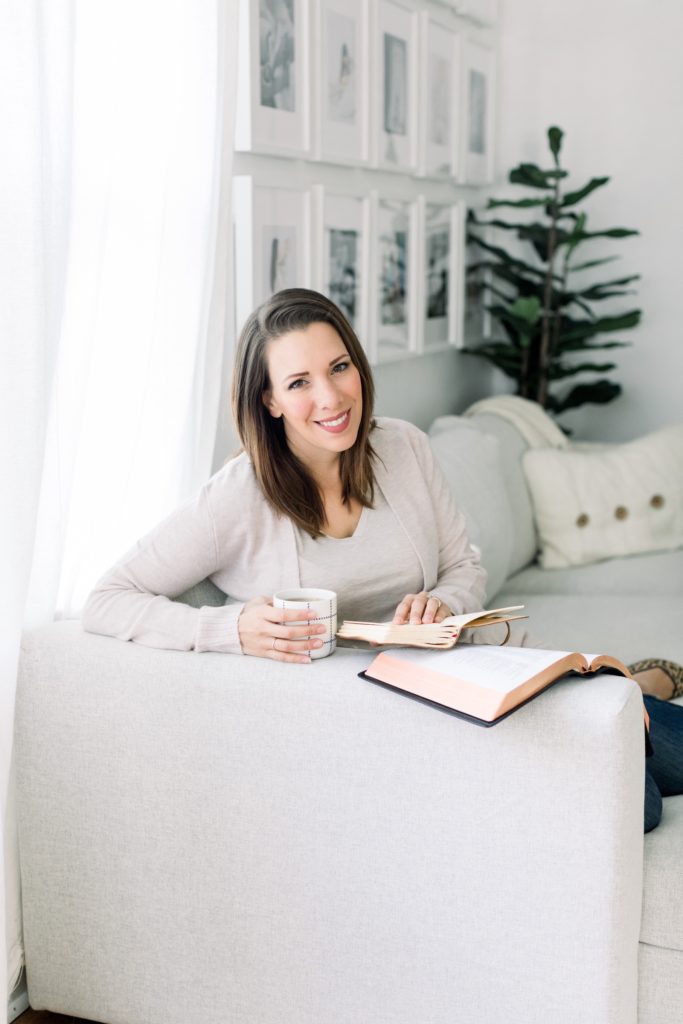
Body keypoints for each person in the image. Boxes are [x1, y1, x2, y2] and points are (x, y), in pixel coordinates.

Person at [82, 287, 682, 833]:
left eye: (339, 367)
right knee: (640, 801)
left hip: (475, 682)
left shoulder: (403, 447)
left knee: (647, 746)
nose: (331, 397)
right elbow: (106, 600)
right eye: (299, 382)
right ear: (269, 399)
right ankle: (638, 687)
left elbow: (465, 565)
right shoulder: (237, 498)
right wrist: (231, 628)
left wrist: (440, 603)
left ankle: (627, 692)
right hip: (381, 727)